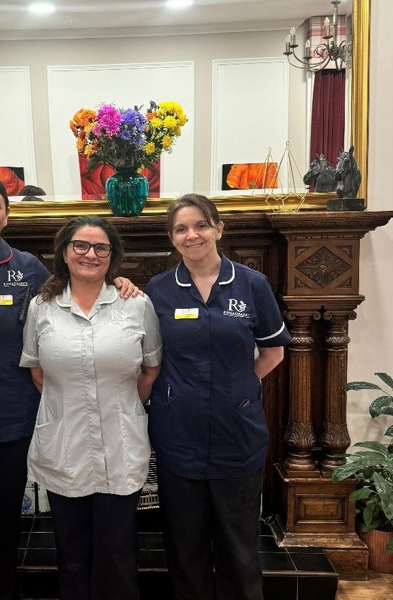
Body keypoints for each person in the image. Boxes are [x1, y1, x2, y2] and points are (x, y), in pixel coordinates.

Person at [0, 179, 140, 599]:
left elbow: (78, 292)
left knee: (7, 518)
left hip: (18, 416)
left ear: (7, 213)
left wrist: (122, 283)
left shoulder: (29, 269)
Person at [144, 194, 290, 600]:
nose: (192, 235)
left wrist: (239, 388)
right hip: (178, 435)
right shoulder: (158, 290)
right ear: (172, 238)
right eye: (181, 229)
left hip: (236, 435)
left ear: (218, 229)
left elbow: (274, 351)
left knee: (238, 547)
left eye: (200, 225)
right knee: (185, 548)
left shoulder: (251, 284)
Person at [20, 216, 162, 600]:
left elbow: (150, 368)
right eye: (80, 245)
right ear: (64, 252)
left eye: (101, 248)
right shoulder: (41, 307)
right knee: (71, 549)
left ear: (112, 257)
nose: (90, 254)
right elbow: (37, 372)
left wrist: (125, 404)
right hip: (65, 442)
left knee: (117, 549)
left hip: (121, 443)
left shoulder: (136, 304)